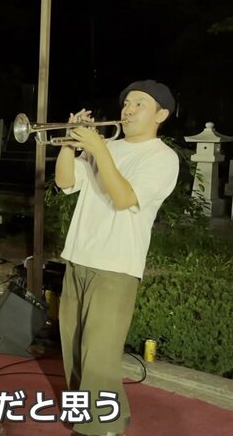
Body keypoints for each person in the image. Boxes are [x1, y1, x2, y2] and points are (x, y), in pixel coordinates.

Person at [54, 80, 179, 436]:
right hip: (78, 257)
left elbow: (124, 198)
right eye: (126, 103)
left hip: (116, 267)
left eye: (139, 104)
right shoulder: (107, 146)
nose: (128, 109)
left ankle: (97, 429)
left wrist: (98, 149)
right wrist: (69, 144)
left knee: (99, 357)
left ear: (161, 115)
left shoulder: (162, 158)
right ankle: (107, 416)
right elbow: (65, 181)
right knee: (73, 350)